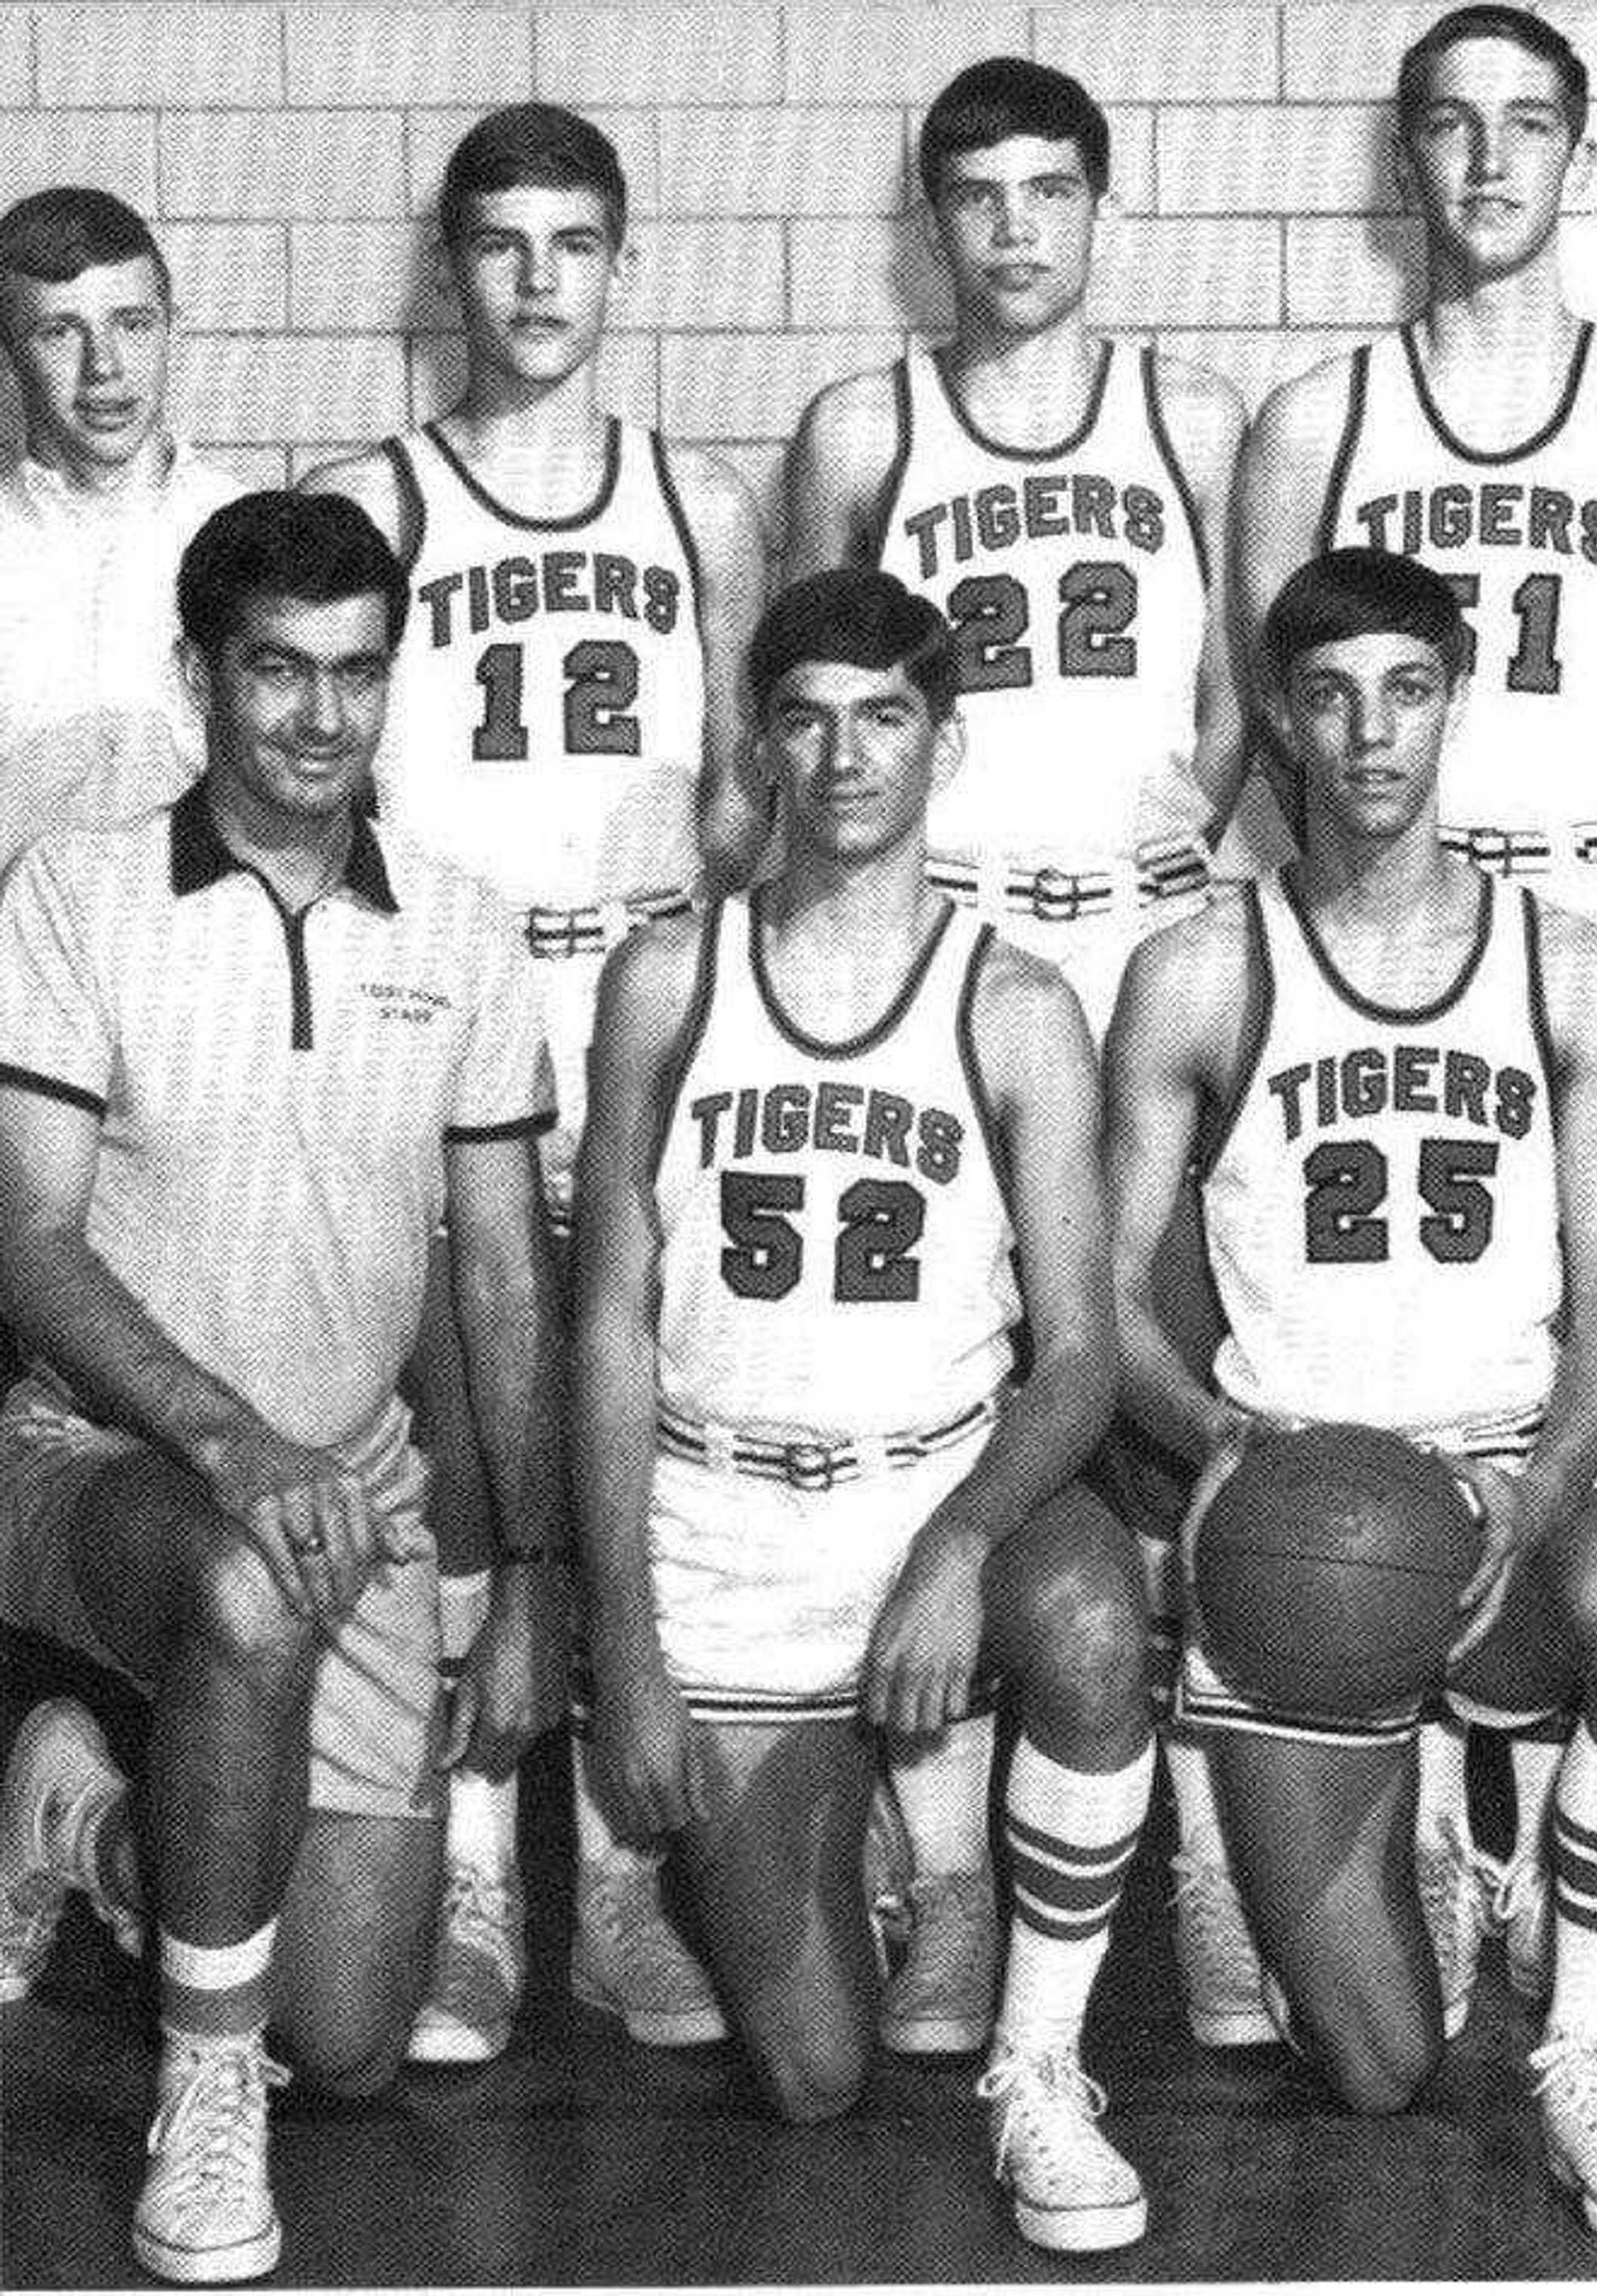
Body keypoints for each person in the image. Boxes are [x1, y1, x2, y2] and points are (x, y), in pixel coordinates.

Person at [1227, 0, 1597, 2042]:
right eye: (1448, 128)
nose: (1487, 162)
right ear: (1406, 163)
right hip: (1385, 893)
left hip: (1586, 898)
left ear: (1580, 152)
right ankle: (1419, 1804)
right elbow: (1282, 702)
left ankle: (1555, 1830)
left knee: (1594, 1364)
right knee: (1373, 1327)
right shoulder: (1319, 419)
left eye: (1527, 125)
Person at [1106, 547, 1597, 2252]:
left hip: (1505, 1481)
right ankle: (1397, 1827)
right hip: (1301, 1510)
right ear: (1283, 723)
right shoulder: (1199, 968)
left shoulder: (1574, 964)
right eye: (1327, 695)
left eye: (1405, 689)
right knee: (1376, 2068)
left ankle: (1591, 2045)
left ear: (1456, 698)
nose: (1370, 732)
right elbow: (1103, 1294)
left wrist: (1546, 1490)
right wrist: (1213, 1441)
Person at [0, 491, 566, 2282]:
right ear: (200, 675)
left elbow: (499, 1278)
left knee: (355, 2033)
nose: (322, 717)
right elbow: (25, 1240)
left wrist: (526, 1568)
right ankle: (202, 2083)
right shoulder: (77, 892)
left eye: (356, 672)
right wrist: (226, 1435)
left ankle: (84, 1800)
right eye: (277, 672)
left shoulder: (466, 930)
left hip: (356, 1487)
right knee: (240, 1591)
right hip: (101, 1459)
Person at [571, 569, 1155, 2248]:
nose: (845, 757)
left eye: (884, 717)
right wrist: (627, 1646)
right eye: (808, 720)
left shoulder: (1016, 1004)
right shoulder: (669, 984)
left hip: (928, 1504)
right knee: (817, 2075)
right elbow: (606, 1329)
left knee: (1095, 1616)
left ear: (943, 744)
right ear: (756, 746)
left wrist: (961, 1545)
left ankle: (1036, 2058)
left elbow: (1081, 1359)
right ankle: (900, 1829)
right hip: (728, 1531)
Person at [781, 53, 1247, 2055]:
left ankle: (1222, 1853)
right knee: (949, 1376)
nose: (1014, 229)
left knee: (1201, 1397)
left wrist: (1203, 818)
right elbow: (806, 680)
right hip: (944, 976)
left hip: (1141, 968)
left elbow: (1241, 684)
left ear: (1099, 206)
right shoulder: (863, 423)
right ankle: (953, 1876)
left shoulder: (1197, 416)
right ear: (933, 221)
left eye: (1050, 190)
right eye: (975, 195)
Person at [303, 102, 770, 2067]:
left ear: (623, 264)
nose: (537, 281)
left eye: (573, 243)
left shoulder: (705, 506)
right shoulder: (375, 499)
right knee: (469, 1463)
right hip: (448, 1042)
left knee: (634, 1448)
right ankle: (480, 1871)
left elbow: (745, 798)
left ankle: (619, 1874)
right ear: (451, 271)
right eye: (500, 244)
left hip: (641, 1036)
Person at [0, 186, 243, 868]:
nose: (104, 367)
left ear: (173, 329)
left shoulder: (247, 531)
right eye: (60, 331)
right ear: (8, 354)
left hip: (213, 956)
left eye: (133, 324)